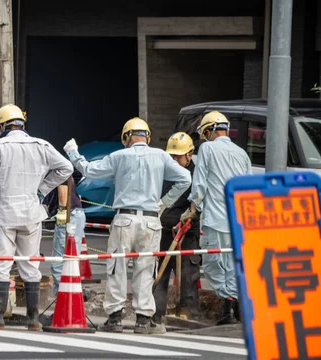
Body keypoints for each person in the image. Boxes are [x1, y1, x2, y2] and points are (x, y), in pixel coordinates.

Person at [64, 117, 191, 334]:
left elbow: (88, 170)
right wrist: (164, 203)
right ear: (148, 137)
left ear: (126, 137)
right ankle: (143, 321)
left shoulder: (119, 156)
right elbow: (185, 178)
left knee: (117, 269)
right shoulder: (160, 156)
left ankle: (114, 319)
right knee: (145, 269)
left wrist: (73, 151)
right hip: (151, 221)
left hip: (124, 219)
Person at [0, 104, 73, 331]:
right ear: (22, 124)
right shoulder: (41, 145)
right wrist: (42, 189)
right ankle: (33, 319)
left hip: (5, 215)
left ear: (1, 126)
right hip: (31, 214)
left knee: (0, 264)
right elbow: (66, 168)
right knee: (30, 265)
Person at [181, 111, 251, 325]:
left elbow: (200, 182)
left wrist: (193, 207)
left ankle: (228, 309)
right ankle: (235, 310)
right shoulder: (242, 153)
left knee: (212, 263)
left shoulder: (208, 149)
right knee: (233, 264)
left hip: (217, 219)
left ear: (210, 130)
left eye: (205, 133)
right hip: (238, 219)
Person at [153, 132, 202, 325]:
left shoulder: (196, 175)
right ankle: (156, 313)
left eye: (178, 157)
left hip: (187, 233)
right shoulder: (164, 173)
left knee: (188, 277)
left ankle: (189, 315)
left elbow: (197, 200)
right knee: (160, 273)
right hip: (164, 232)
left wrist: (189, 218)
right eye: (171, 156)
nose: (173, 160)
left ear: (190, 154)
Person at [40, 178, 86, 327]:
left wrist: (60, 218)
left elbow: (62, 193)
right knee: (70, 262)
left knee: (60, 264)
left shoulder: (58, 171)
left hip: (68, 216)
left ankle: (63, 308)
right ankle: (69, 308)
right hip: (75, 214)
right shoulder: (64, 168)